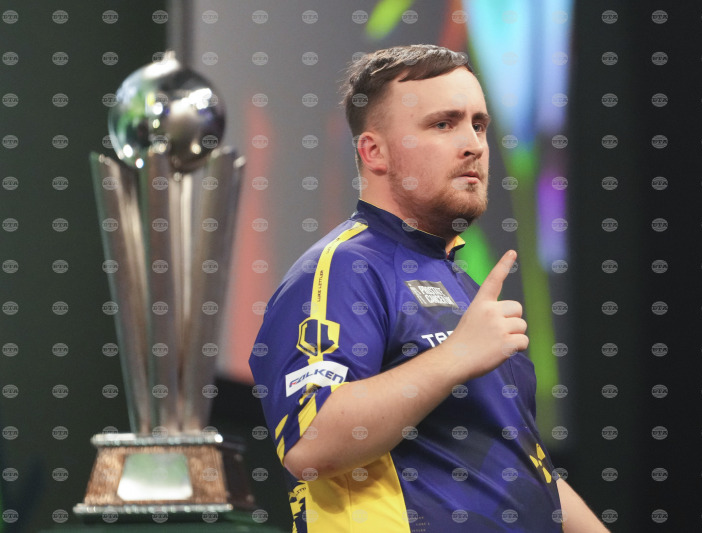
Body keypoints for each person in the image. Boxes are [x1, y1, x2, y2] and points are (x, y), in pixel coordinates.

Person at [250, 44, 607, 532]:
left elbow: (524, 462)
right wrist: (457, 356)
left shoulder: (460, 284)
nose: (474, 145)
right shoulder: (345, 267)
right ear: (374, 152)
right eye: (443, 124)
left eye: (478, 124)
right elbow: (310, 442)